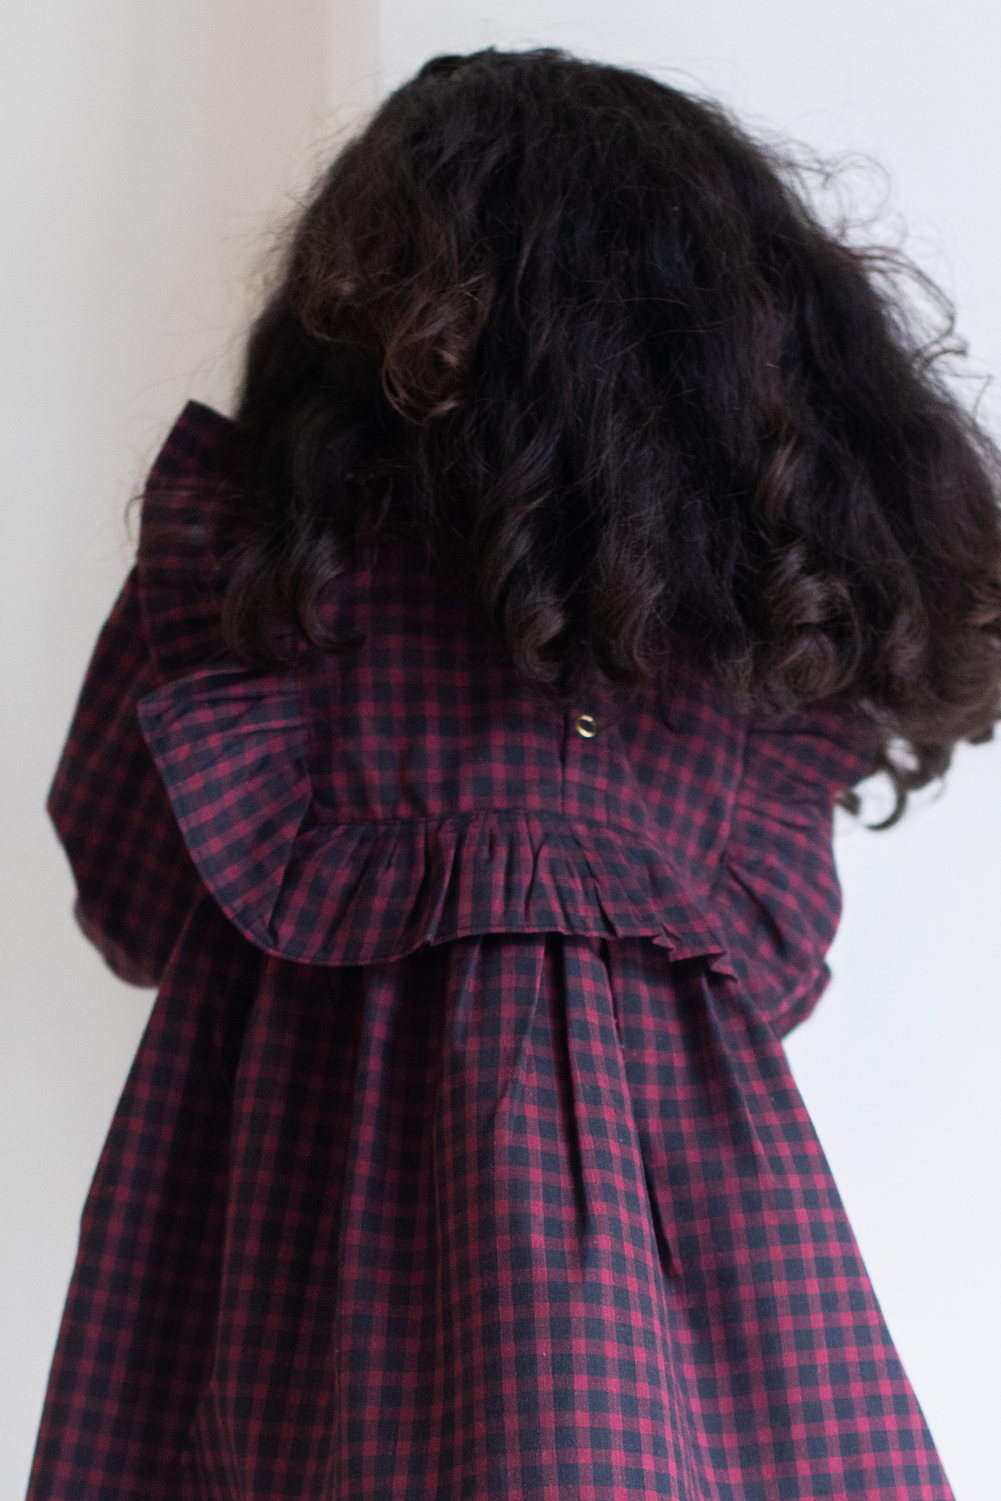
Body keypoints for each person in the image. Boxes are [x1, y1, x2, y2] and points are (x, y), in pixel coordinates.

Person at [27, 47, 1001, 1501]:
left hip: (278, 1284)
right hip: (678, 1331)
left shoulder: (256, 580)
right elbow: (783, 968)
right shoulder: (746, 650)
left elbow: (127, 895)